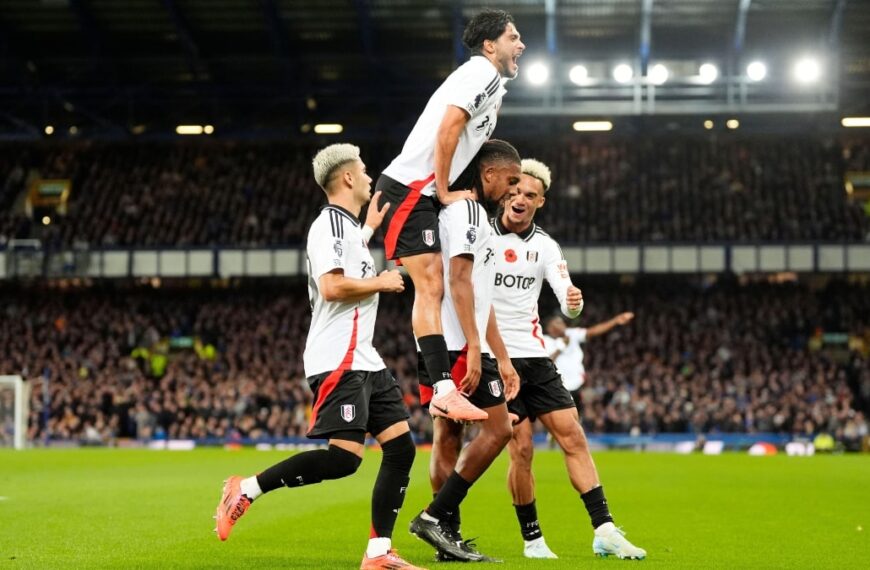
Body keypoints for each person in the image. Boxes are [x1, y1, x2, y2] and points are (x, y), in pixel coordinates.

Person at [214, 144, 425, 570]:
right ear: (347, 178)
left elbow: (347, 261)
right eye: (363, 171)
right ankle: (246, 489)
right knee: (344, 459)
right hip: (339, 356)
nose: (369, 177)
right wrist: (383, 282)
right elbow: (331, 287)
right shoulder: (327, 225)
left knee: (401, 449)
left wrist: (367, 231)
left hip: (365, 357)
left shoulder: (346, 228)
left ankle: (379, 553)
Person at [490, 159, 646, 560]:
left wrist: (574, 303)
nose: (520, 199)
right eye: (515, 191)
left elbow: (567, 300)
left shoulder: (545, 245)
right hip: (496, 357)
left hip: (536, 357)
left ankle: (605, 529)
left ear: (540, 201)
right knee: (521, 449)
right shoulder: (481, 236)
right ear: (505, 191)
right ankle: (533, 540)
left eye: (530, 195)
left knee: (573, 437)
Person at [375, 9, 525, 423]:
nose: (521, 45)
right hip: (412, 188)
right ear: (490, 45)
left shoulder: (488, 85)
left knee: (435, 283)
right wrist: (442, 190)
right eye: (514, 37)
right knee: (431, 284)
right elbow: (448, 130)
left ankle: (444, 387)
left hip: (417, 190)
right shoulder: (482, 74)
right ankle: (443, 389)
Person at [407, 140, 521, 562]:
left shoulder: (467, 215)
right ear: (488, 174)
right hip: (456, 343)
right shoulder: (468, 211)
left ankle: (445, 538)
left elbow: (480, 294)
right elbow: (458, 281)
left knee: (448, 435)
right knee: (498, 430)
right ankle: (435, 518)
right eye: (510, 181)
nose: (512, 190)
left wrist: (501, 356)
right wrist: (475, 349)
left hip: (454, 340)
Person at [545, 311, 635, 417]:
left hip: (577, 386)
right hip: (558, 388)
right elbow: (546, 364)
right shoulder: (544, 341)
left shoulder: (572, 333)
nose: (562, 324)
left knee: (577, 420)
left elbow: (592, 331)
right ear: (549, 328)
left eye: (562, 322)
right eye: (557, 323)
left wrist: (615, 321)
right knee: (563, 421)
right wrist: (560, 348)